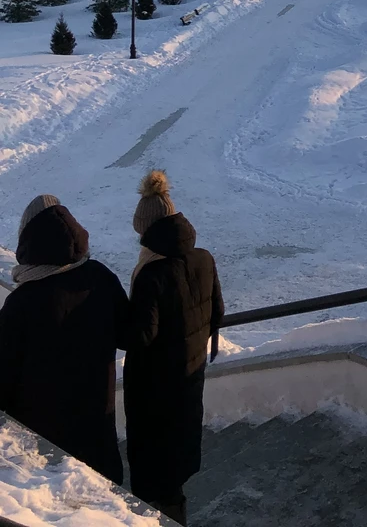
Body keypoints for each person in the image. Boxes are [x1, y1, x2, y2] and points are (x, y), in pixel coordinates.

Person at [0, 195, 128, 483]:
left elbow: (3, 379)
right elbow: (128, 333)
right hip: (98, 432)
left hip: (45, 449)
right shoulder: (100, 277)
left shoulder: (22, 303)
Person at [124, 171, 223, 526]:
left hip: (155, 394)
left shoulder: (152, 273)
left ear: (147, 230)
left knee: (153, 484)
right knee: (174, 477)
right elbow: (217, 313)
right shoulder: (204, 259)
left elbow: (141, 336)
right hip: (189, 382)